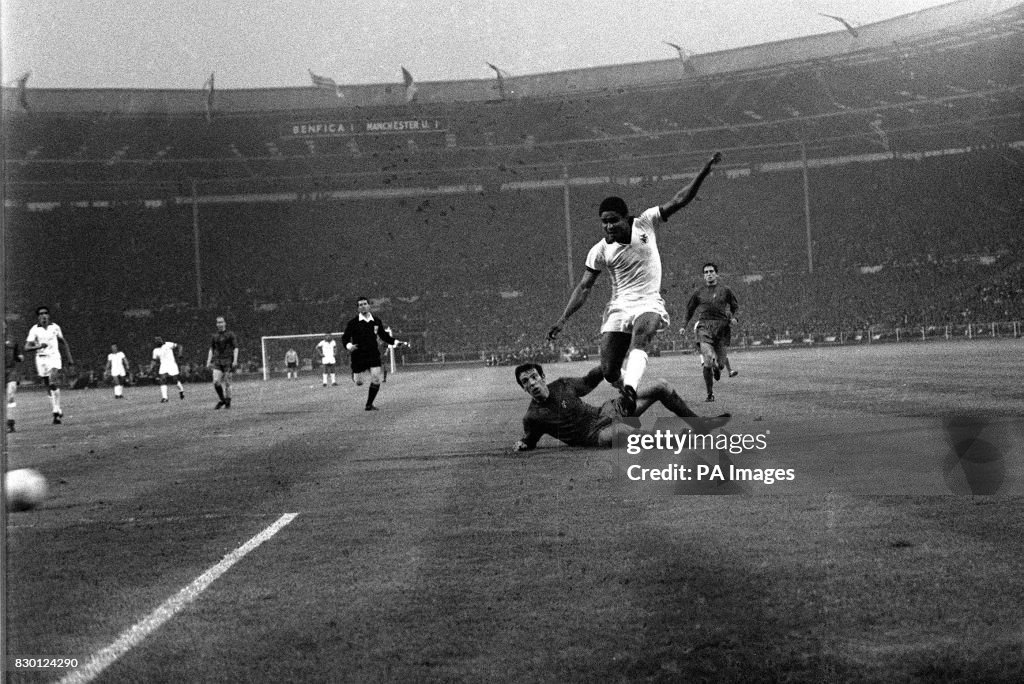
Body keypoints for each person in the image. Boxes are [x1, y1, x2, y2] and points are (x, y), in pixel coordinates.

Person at [548, 152, 723, 416]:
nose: (608, 226)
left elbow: (680, 199)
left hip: (648, 301)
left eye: (613, 220)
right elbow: (584, 287)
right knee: (608, 370)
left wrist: (705, 171)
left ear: (625, 217)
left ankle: (630, 390)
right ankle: (629, 389)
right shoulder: (599, 251)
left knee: (640, 339)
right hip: (619, 307)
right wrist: (563, 319)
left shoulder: (645, 223)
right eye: (604, 222)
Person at [512, 362, 728, 452]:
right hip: (595, 435)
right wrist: (522, 444)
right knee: (631, 433)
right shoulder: (533, 417)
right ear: (523, 388)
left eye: (533, 377)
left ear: (542, 376)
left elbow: (588, 381)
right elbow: (529, 440)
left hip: (606, 411)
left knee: (661, 386)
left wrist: (608, 366)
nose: (532, 383)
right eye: (525, 382)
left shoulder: (562, 385)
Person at [683, 262, 740, 402]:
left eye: (711, 271)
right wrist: (683, 325)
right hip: (704, 327)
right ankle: (710, 394)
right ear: (704, 276)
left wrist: (735, 318)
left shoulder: (725, 290)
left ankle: (717, 367)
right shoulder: (698, 292)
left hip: (722, 328)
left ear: (716, 274)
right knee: (707, 359)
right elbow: (689, 310)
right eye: (706, 272)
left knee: (720, 364)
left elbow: (735, 306)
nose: (709, 274)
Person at [341, 297, 407, 411]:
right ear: (357, 308)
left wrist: (396, 342)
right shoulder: (353, 323)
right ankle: (355, 375)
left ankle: (369, 404)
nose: (363, 306)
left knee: (376, 378)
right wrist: (348, 346)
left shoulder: (376, 321)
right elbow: (345, 338)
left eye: (365, 304)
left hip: (373, 354)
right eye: (360, 305)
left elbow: (384, 336)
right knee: (359, 382)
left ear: (369, 306)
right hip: (358, 355)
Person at [24, 306, 74, 425]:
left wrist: (70, 358)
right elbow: (26, 347)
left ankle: (56, 412)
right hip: (41, 359)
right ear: (38, 317)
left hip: (54, 358)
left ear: (49, 315)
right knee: (48, 386)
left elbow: (63, 342)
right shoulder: (34, 329)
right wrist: (39, 346)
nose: (44, 315)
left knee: (53, 382)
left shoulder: (55, 327)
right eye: (41, 314)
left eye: (46, 313)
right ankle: (57, 409)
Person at [206, 315, 238, 409]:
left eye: (221, 322)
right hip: (218, 361)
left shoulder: (230, 335)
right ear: (216, 324)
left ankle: (228, 401)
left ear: (225, 323)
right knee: (216, 382)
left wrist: (235, 360)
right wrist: (208, 361)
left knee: (227, 382)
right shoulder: (214, 336)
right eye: (218, 322)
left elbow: (236, 348)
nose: (219, 324)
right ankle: (222, 399)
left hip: (228, 361)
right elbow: (211, 349)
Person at [149, 336, 186, 403]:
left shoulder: (168, 344)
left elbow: (180, 346)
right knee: (162, 380)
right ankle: (165, 398)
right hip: (163, 366)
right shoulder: (155, 350)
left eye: (159, 340)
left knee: (175, 380)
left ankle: (181, 390)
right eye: (156, 341)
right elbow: (154, 360)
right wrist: (151, 367)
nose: (158, 341)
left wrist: (180, 354)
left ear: (161, 340)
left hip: (172, 365)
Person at [5, 322, 24, 432]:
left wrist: (20, 357)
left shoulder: (12, 340)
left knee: (11, 395)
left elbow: (19, 355)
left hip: (11, 370)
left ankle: (10, 423)